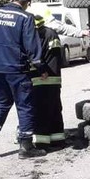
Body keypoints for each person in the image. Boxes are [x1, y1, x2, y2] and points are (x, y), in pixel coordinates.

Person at [0, 0, 47, 159]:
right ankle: (26, 146)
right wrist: (41, 68)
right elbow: (31, 46)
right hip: (17, 69)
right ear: (27, 3)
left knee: (1, 103)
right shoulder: (25, 18)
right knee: (25, 106)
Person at [30, 13, 65, 148]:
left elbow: (35, 57)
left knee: (40, 110)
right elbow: (56, 56)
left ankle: (42, 142)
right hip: (54, 77)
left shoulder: (33, 36)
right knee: (55, 108)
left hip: (40, 77)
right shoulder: (52, 34)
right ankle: (58, 139)